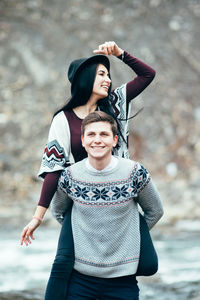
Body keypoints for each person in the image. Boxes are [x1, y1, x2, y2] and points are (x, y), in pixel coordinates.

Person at [20, 41, 156, 298]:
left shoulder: (115, 103)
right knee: (62, 264)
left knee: (138, 266)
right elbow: (53, 169)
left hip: (119, 199)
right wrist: (38, 217)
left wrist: (119, 54)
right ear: (85, 78)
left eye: (108, 74)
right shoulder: (63, 119)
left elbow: (148, 74)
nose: (108, 79)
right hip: (80, 202)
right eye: (102, 74)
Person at [51, 111, 164, 299]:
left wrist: (131, 237)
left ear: (115, 140)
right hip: (80, 279)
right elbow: (58, 211)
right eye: (91, 134)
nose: (97, 140)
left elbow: (155, 211)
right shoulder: (69, 176)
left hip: (123, 281)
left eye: (104, 134)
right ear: (83, 140)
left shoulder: (134, 172)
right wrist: (83, 236)